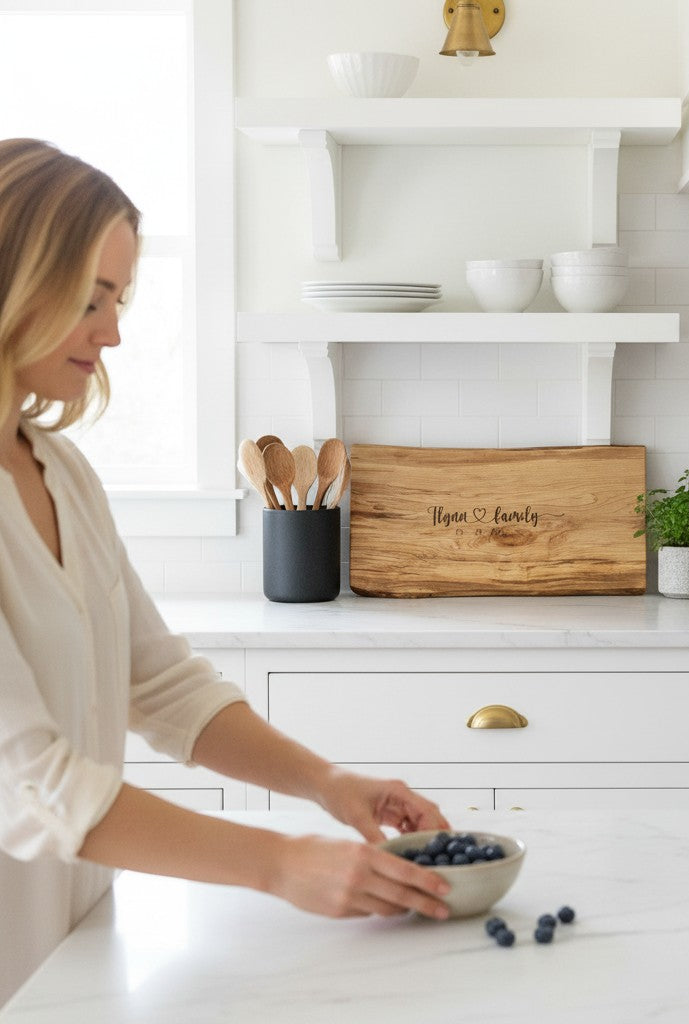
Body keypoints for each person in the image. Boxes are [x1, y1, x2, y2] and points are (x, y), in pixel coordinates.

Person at [0, 138, 452, 1006]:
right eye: (92, 299)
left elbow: (159, 684)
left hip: (68, 955)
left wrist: (327, 786)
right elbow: (32, 784)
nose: (116, 331)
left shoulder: (59, 469)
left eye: (121, 299)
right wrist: (278, 863)